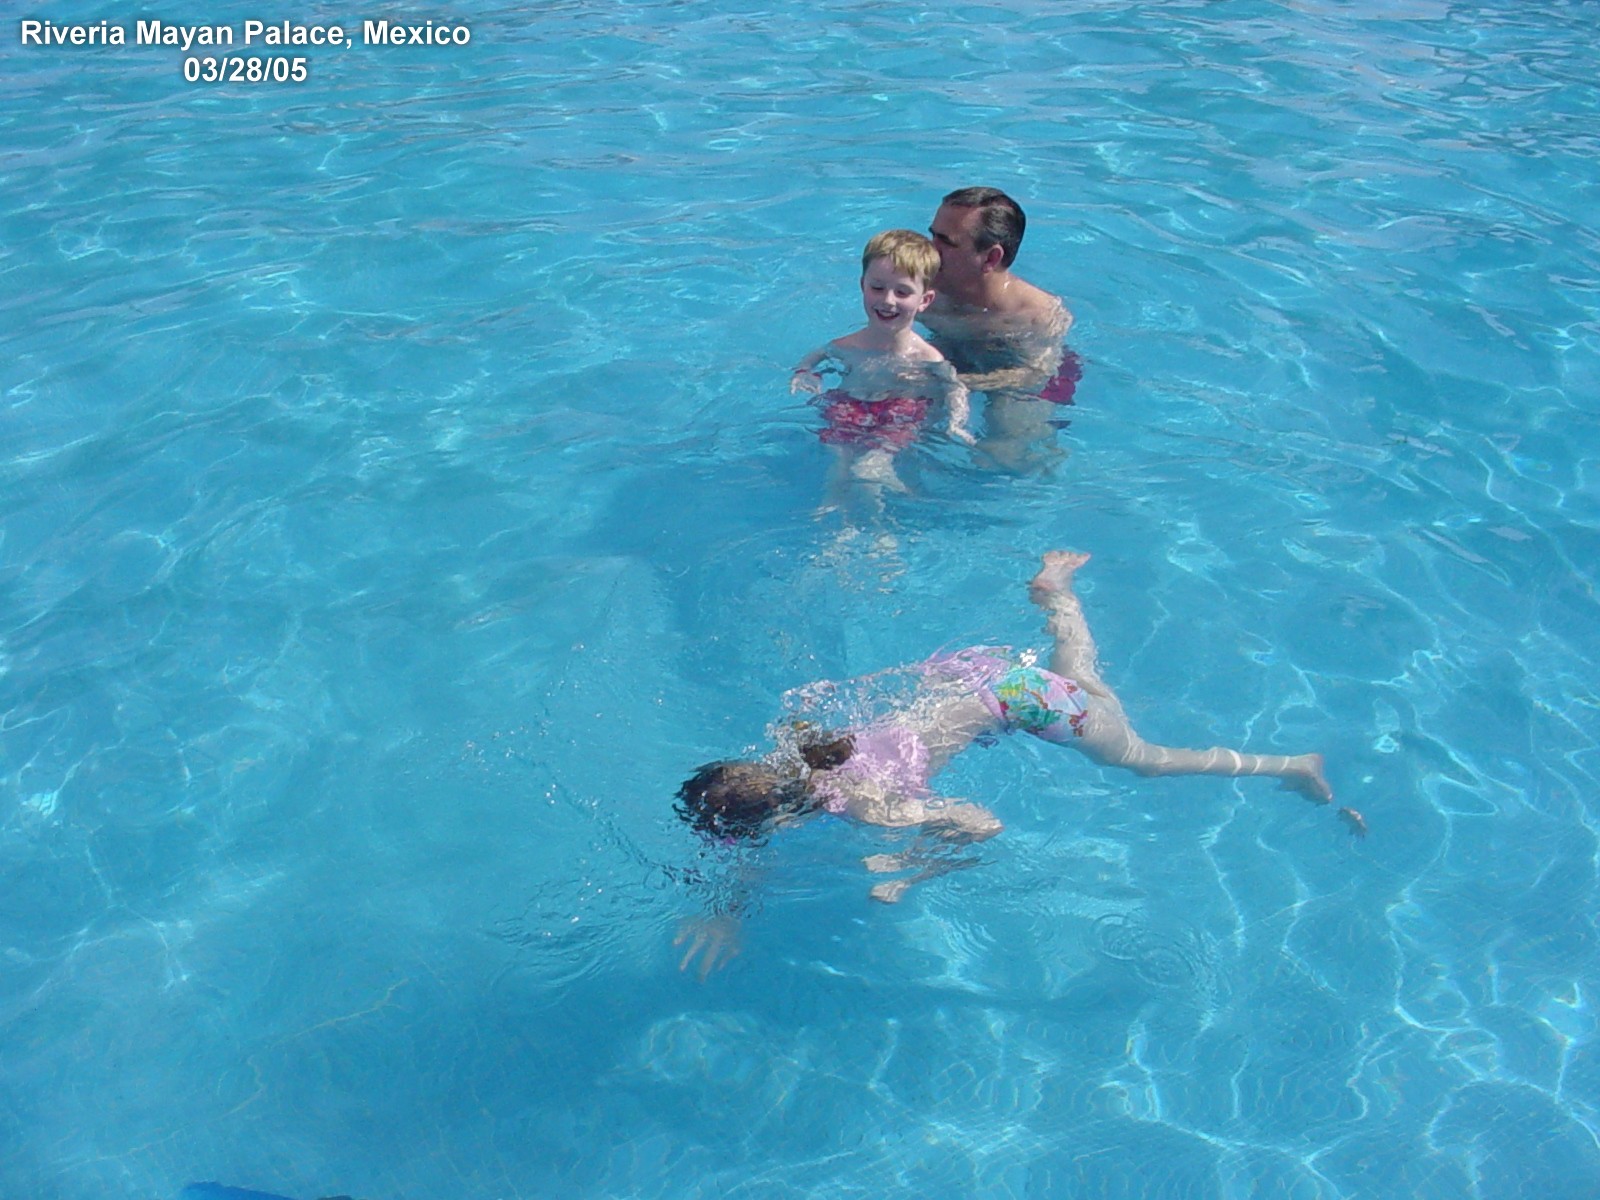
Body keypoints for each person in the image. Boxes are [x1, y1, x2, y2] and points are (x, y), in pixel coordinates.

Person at [673, 550, 1363, 978]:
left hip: (1024, 702)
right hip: (975, 678)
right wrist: (728, 913)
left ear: (778, 819)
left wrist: (912, 869)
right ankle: (1057, 592)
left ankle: (1294, 763)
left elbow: (983, 824)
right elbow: (755, 849)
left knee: (1143, 759)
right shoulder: (792, 750)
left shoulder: (870, 807)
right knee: (1085, 682)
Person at [791, 229, 974, 504]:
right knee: (839, 466)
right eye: (877, 288)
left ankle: (877, 517)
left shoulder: (926, 357)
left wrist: (957, 421)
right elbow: (816, 356)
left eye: (902, 292)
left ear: (924, 300)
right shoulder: (848, 344)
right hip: (851, 406)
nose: (888, 300)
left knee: (869, 467)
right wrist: (805, 373)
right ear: (862, 285)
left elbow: (954, 386)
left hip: (901, 412)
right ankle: (833, 513)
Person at [922, 187, 1080, 469]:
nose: (929, 251)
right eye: (932, 235)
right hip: (950, 352)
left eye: (945, 242)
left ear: (991, 258)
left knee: (1004, 452)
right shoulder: (920, 290)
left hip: (1020, 372)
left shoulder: (1038, 315)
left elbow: (1035, 375)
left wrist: (958, 383)